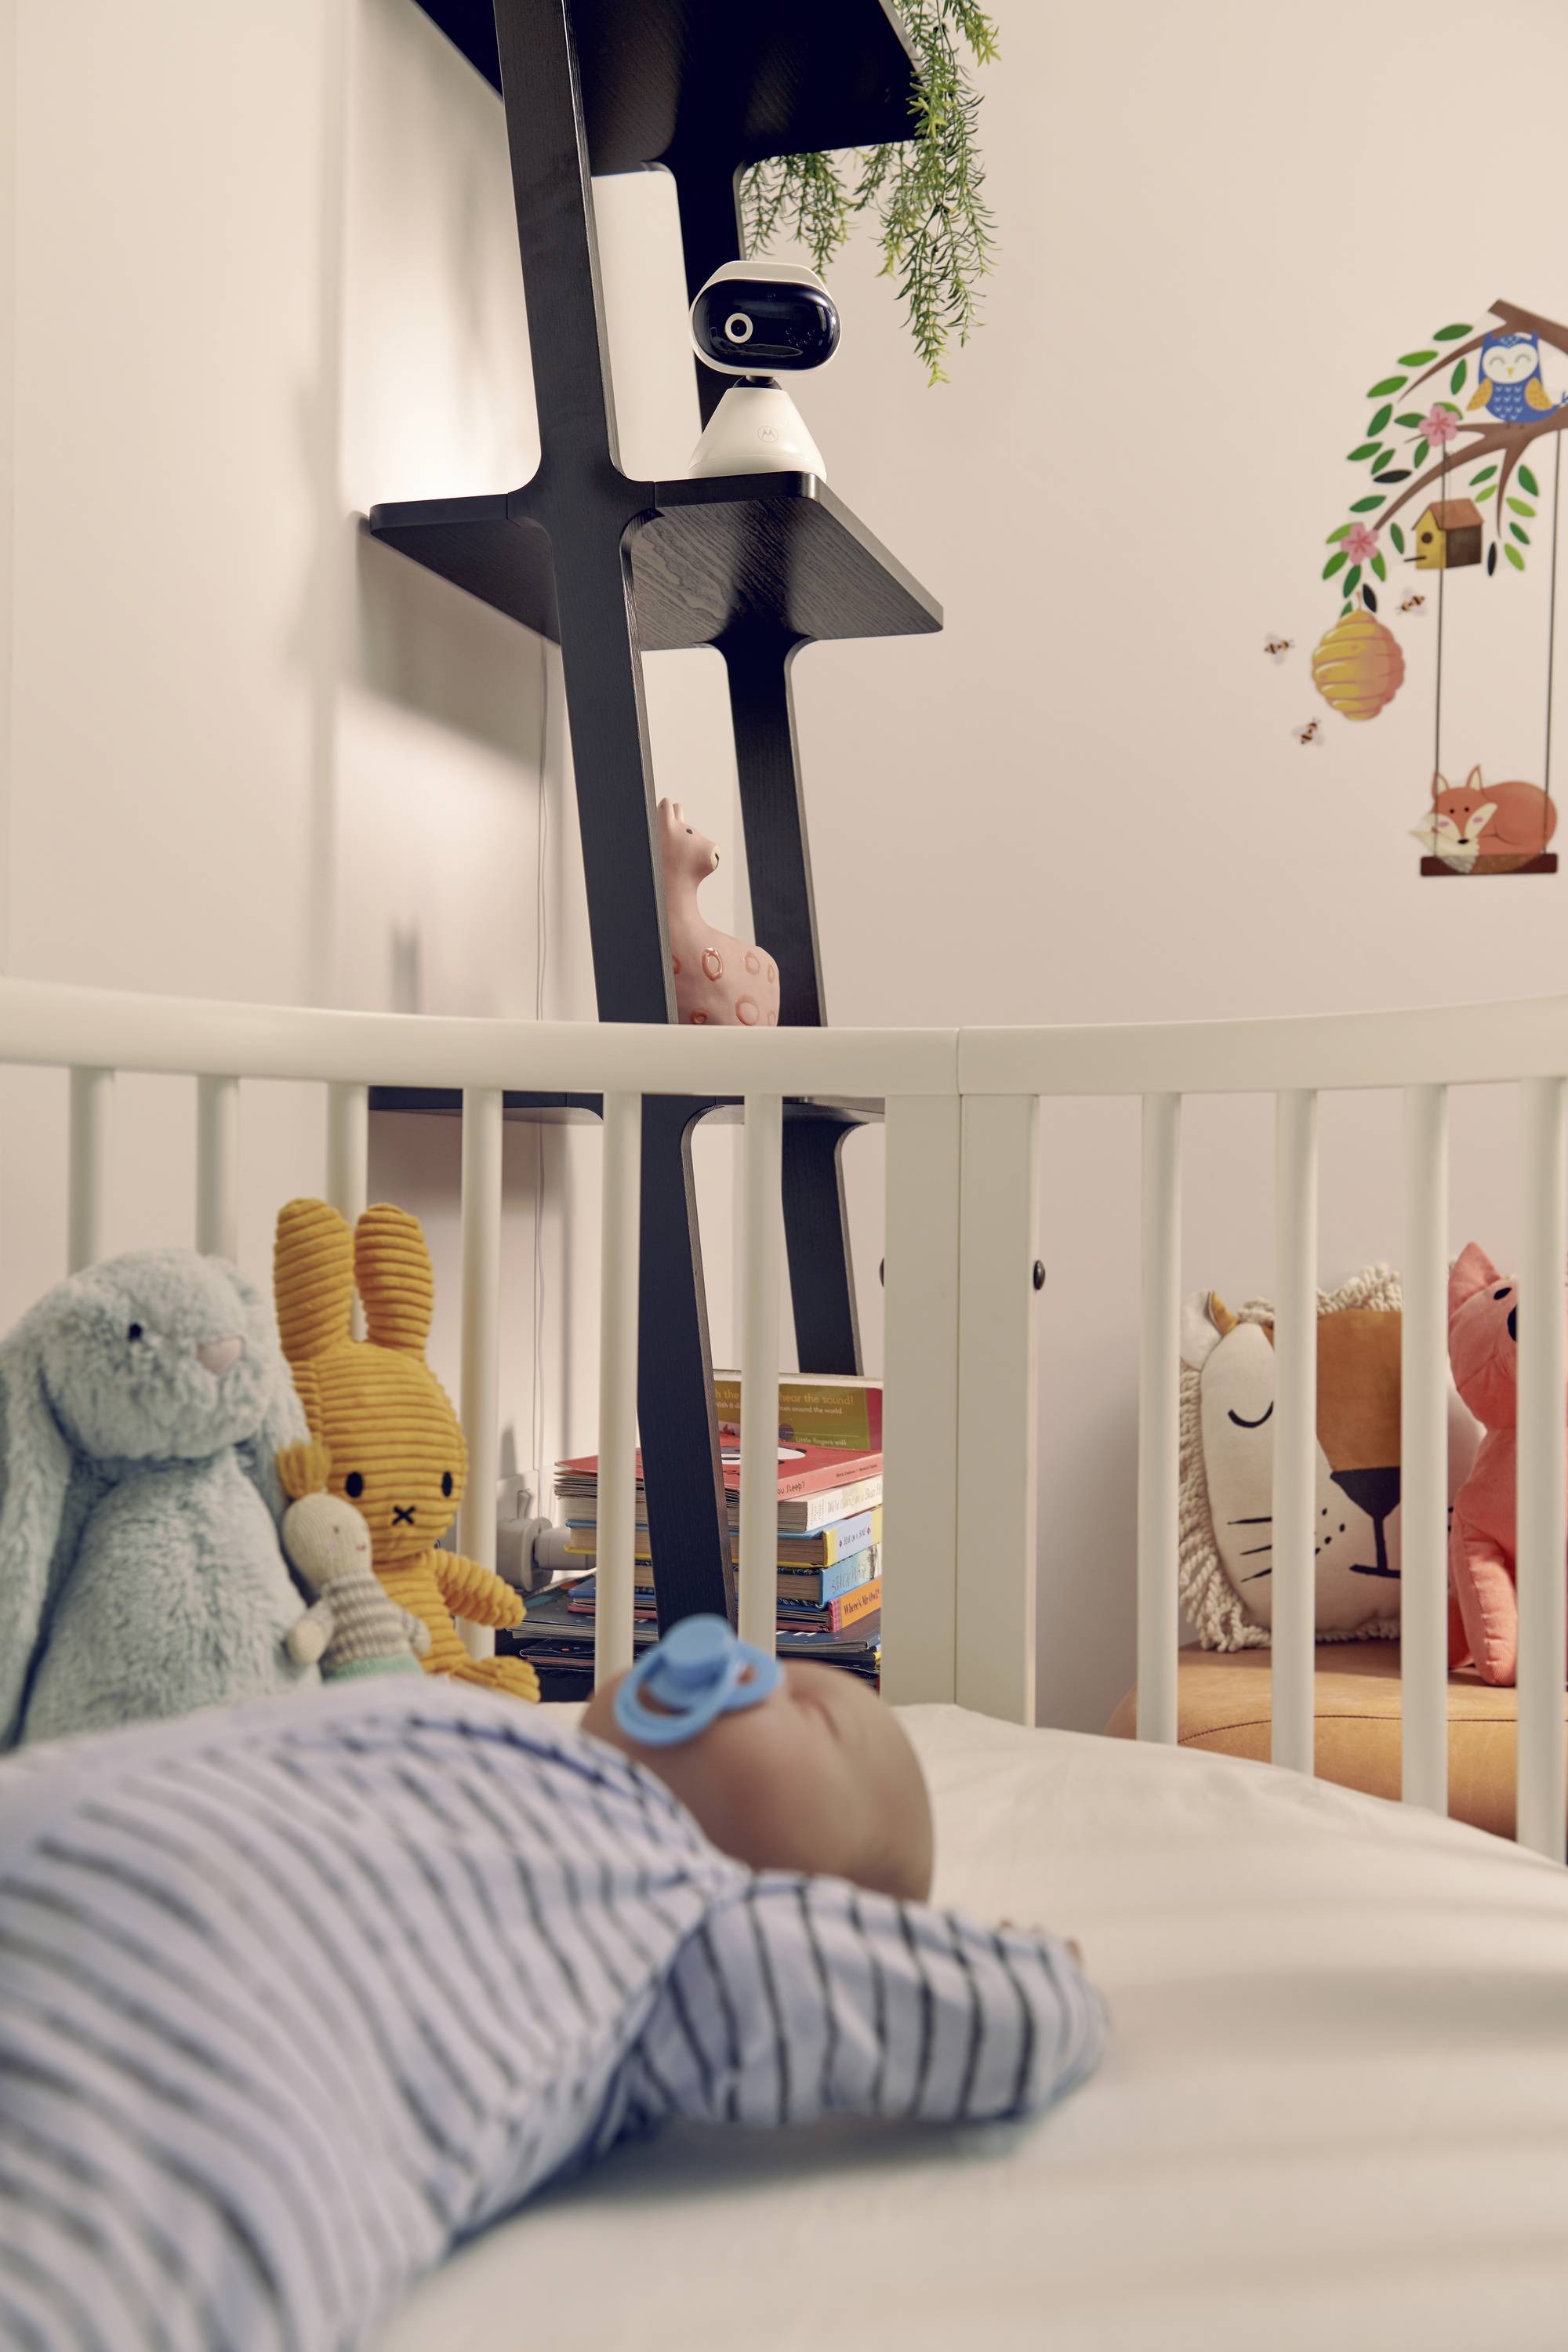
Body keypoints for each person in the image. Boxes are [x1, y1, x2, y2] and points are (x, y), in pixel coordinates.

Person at [0, 1626, 1103, 2351]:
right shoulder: (488, 1725)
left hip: (190, 2040)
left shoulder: (689, 1917)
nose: (749, 1664)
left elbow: (946, 2011)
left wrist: (1034, 1976)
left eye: (815, 1712)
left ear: (810, 1901)